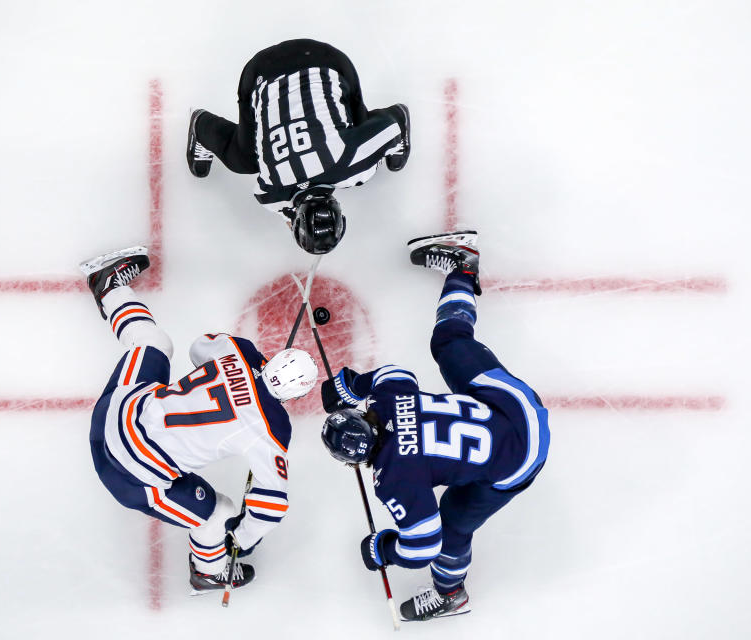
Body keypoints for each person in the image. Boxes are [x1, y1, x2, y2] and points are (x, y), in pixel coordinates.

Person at [319, 231, 550, 621]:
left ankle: (450, 594)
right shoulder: (385, 401)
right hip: (516, 406)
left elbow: (424, 543)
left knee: (454, 526)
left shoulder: (394, 480)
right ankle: (462, 269)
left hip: (522, 457)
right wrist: (349, 385)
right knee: (448, 341)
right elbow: (395, 373)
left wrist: (385, 550)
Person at [80, 246, 318, 593]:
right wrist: (240, 538)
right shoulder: (270, 430)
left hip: (116, 411)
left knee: (153, 342)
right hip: (126, 474)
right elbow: (272, 505)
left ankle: (110, 287)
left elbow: (199, 348)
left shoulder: (239, 353)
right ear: (295, 396)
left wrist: (244, 366)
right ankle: (208, 572)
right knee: (218, 514)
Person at [185, 38, 411, 255]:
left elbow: (391, 127)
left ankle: (391, 128)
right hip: (259, 72)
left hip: (326, 60)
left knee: (356, 127)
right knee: (243, 160)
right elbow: (277, 198)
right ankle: (200, 124)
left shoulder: (356, 168)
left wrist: (383, 144)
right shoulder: (271, 193)